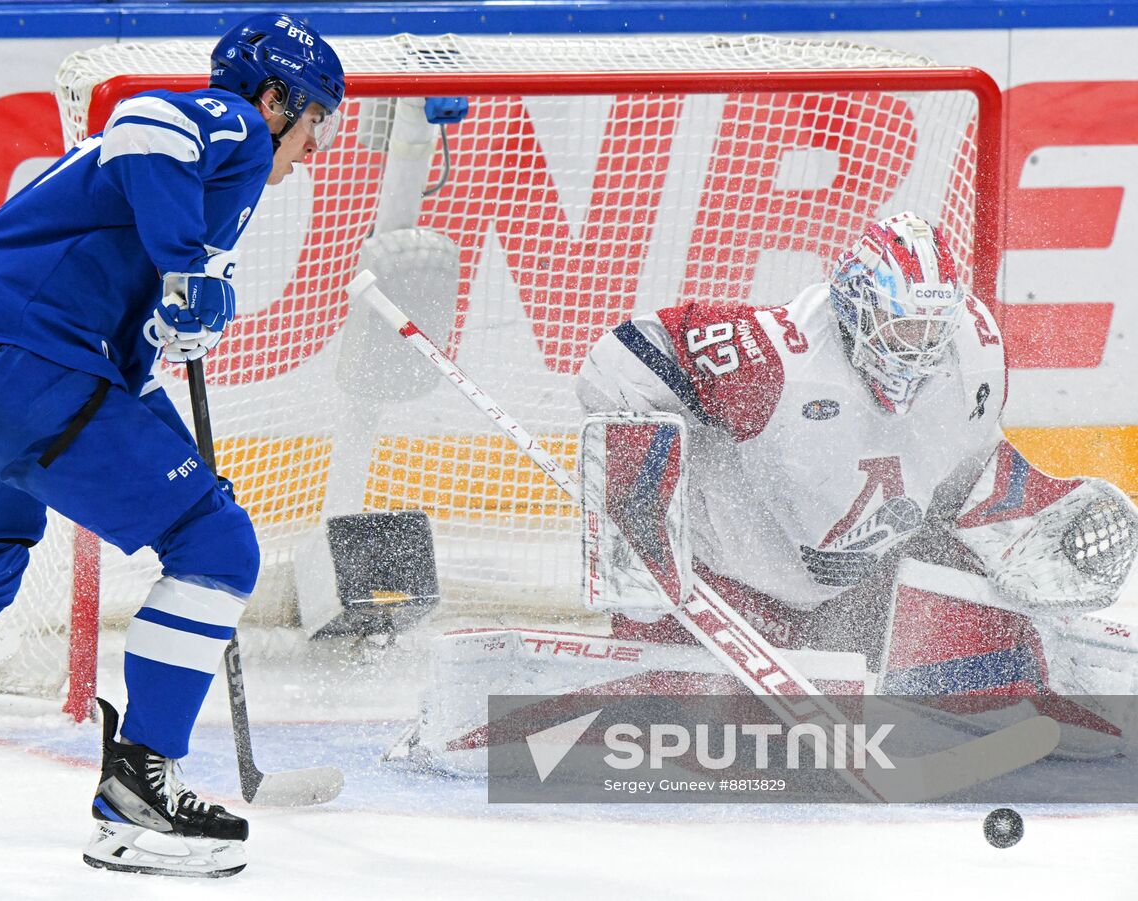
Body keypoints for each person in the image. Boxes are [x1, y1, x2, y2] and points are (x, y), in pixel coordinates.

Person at [0, 12, 345, 878]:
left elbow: (124, 358)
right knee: (217, 545)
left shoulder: (176, 192)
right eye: (316, 123)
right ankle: (139, 800)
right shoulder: (233, 132)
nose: (316, 150)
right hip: (22, 365)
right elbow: (148, 118)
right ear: (275, 100)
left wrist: (173, 313)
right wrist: (190, 266)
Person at [399, 211, 1138, 772]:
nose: (914, 353)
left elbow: (963, 467)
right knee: (669, 743)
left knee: (976, 669)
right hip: (728, 592)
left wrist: (1022, 507)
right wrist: (643, 508)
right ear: (853, 303)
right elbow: (611, 365)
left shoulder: (973, 352)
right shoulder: (771, 357)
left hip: (856, 601)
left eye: (928, 332)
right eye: (898, 327)